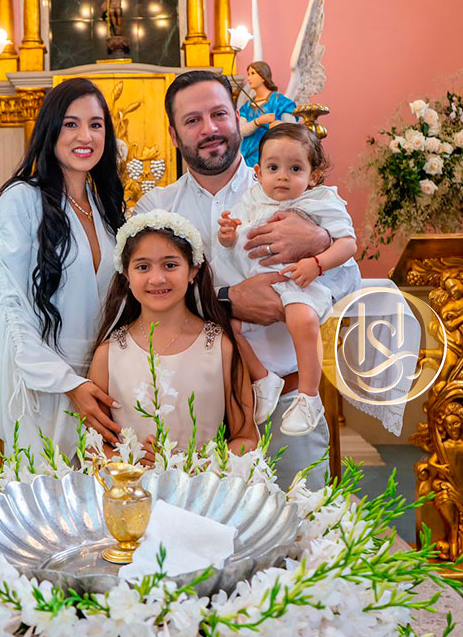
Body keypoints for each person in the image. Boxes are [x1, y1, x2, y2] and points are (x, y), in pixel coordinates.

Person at [135, 69, 360, 489]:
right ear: (174, 134)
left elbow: (349, 281)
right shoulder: (156, 207)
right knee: (194, 523)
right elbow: (142, 299)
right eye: (193, 120)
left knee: (301, 518)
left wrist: (320, 241)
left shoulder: (292, 187)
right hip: (190, 404)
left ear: (237, 118)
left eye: (219, 114)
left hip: (286, 400)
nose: (210, 129)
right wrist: (227, 297)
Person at [0, 78, 126, 459]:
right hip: (46, 385)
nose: (85, 136)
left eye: (96, 124)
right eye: (71, 123)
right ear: (50, 129)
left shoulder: (105, 207)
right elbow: (9, 305)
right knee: (47, 490)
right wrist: (65, 382)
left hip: (104, 386)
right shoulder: (22, 200)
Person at [218, 124, 357, 437]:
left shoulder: (320, 200)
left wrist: (317, 264)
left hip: (299, 280)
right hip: (257, 283)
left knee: (302, 318)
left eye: (294, 169)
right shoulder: (252, 198)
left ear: (313, 175)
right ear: (258, 173)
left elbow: (348, 245)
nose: (282, 176)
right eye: (273, 168)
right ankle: (262, 378)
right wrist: (228, 235)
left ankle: (308, 396)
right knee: (226, 323)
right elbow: (235, 236)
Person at [89, 210, 256, 466]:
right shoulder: (108, 353)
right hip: (133, 487)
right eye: (143, 267)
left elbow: (246, 438)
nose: (157, 279)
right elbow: (93, 444)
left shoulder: (219, 346)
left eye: (170, 265)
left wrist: (197, 465)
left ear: (193, 271)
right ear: (127, 276)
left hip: (203, 485)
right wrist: (131, 460)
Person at [239, 60, 297, 167]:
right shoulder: (246, 107)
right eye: (248, 74)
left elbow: (293, 128)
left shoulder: (280, 102)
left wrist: (279, 125)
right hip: (249, 156)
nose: (249, 78)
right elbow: (241, 131)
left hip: (273, 153)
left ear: (263, 76)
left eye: (252, 73)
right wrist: (258, 122)